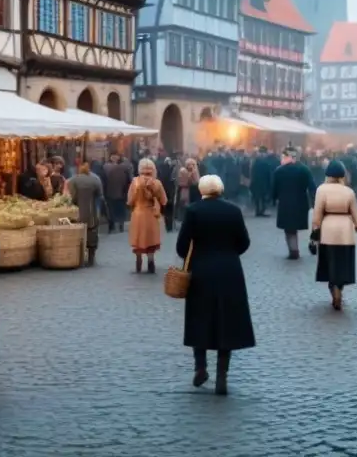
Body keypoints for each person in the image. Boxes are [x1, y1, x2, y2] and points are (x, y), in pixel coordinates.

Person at [176, 174, 254, 395]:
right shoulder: (233, 210)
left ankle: (200, 367)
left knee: (199, 317)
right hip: (230, 271)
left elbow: (182, 247)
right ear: (220, 189)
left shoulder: (193, 211)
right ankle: (222, 375)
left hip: (201, 270)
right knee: (226, 321)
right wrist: (229, 254)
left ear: (201, 189)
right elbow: (244, 242)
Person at [312, 160, 357, 310]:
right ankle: (340, 287)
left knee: (329, 261)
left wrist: (315, 228)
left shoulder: (322, 190)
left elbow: (318, 213)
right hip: (345, 230)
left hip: (328, 228)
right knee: (343, 262)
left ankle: (333, 288)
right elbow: (355, 212)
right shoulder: (349, 191)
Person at [272, 147, 316, 260]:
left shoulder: (279, 170)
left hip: (285, 202)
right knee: (295, 226)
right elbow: (312, 187)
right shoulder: (304, 169)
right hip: (301, 202)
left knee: (289, 229)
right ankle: (294, 249)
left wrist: (274, 198)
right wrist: (314, 200)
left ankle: (293, 250)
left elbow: (274, 188)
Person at [127, 158, 167, 274]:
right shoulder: (157, 183)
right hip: (151, 214)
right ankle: (151, 262)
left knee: (139, 238)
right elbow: (164, 200)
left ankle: (138, 262)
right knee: (150, 239)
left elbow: (130, 200)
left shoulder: (135, 182)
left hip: (138, 214)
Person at [67, 163, 104, 266]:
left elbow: (72, 196)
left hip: (78, 210)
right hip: (91, 211)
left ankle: (78, 257)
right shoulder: (95, 180)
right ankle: (91, 257)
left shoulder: (74, 180)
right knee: (92, 233)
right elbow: (100, 194)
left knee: (78, 233)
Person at [103, 153, 132, 234]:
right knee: (121, 210)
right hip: (121, 194)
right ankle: (121, 225)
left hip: (111, 194)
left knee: (112, 210)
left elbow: (105, 181)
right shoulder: (124, 170)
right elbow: (128, 182)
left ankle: (111, 226)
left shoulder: (108, 169)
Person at [250, 146, 275, 217]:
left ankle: (259, 211)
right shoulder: (263, 161)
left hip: (259, 182)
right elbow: (268, 173)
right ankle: (260, 211)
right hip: (261, 182)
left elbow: (253, 171)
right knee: (261, 197)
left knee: (260, 197)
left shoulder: (257, 161)